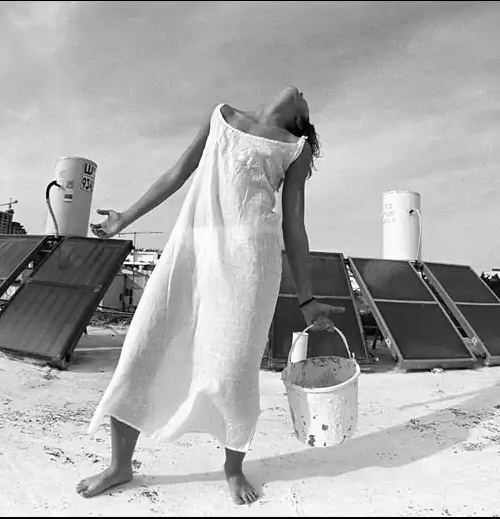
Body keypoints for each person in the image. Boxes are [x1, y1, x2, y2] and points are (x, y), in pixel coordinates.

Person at [76, 87, 345, 505]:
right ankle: (119, 465)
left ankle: (233, 468)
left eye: (306, 100)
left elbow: (294, 225)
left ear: (301, 120)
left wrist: (307, 299)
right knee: (143, 348)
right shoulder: (221, 115)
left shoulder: (296, 148)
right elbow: (176, 173)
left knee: (234, 370)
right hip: (191, 253)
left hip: (250, 266)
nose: (302, 92)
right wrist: (123, 218)